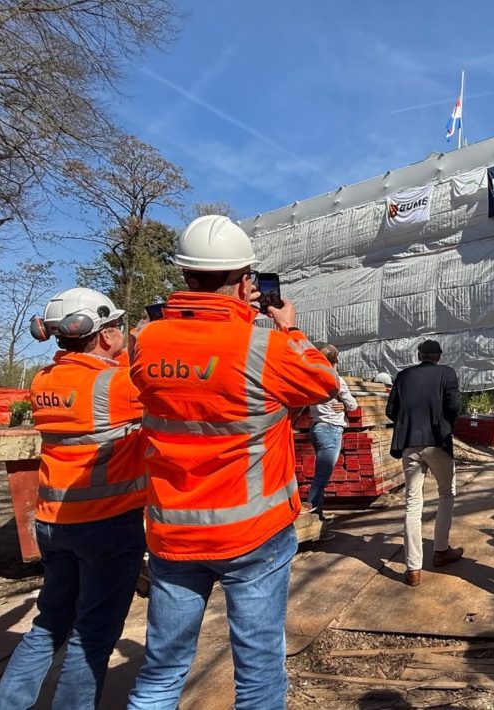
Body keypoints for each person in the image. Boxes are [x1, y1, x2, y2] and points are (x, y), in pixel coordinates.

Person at [126, 215, 339, 709]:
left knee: (161, 672)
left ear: (184, 276)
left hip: (172, 533)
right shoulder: (265, 347)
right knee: (259, 670)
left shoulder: (146, 343)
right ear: (246, 282)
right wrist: (290, 328)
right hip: (253, 533)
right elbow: (323, 382)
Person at [0, 289, 148, 710]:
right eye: (116, 327)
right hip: (107, 524)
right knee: (92, 636)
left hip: (53, 521)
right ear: (101, 336)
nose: (121, 334)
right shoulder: (116, 384)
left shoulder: (42, 380)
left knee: (49, 625)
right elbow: (159, 389)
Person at [386, 340, 464, 587]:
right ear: (439, 356)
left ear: (419, 355)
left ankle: (413, 568)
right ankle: (440, 551)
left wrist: (409, 421)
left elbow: (391, 410)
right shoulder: (446, 373)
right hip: (438, 441)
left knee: (412, 502)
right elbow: (454, 406)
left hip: (409, 443)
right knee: (446, 494)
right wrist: (445, 425)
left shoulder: (403, 376)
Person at [305, 344, 358, 521]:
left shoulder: (311, 379)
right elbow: (352, 405)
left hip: (316, 427)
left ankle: (317, 511)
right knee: (322, 477)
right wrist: (345, 405)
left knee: (321, 474)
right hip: (330, 428)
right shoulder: (336, 379)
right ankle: (312, 516)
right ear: (337, 360)